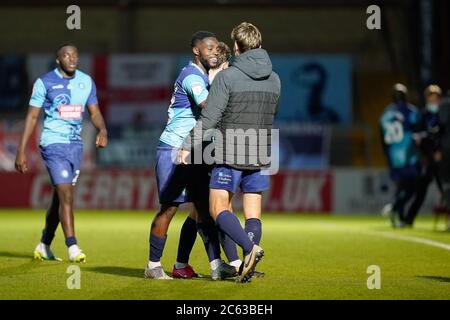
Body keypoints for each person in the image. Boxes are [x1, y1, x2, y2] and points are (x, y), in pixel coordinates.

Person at [179, 22, 281, 283]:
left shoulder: (227, 77)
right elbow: (273, 114)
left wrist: (187, 144)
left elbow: (210, 118)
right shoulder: (275, 78)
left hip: (230, 151)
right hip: (260, 150)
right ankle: (248, 266)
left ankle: (250, 251)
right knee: (253, 213)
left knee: (217, 208)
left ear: (236, 46)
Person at [145, 31, 236, 280]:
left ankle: (216, 265)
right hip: (175, 150)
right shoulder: (192, 76)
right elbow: (208, 105)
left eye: (217, 48)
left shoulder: (204, 76)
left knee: (203, 209)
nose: (214, 53)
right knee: (170, 208)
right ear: (196, 51)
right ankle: (153, 265)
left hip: (196, 150)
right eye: (209, 49)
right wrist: (220, 80)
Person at [15, 43, 108, 262]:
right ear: (58, 60)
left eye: (75, 55)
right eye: (66, 55)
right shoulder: (44, 82)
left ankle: (44, 244)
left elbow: (94, 112)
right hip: (52, 144)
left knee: (59, 198)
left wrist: (102, 129)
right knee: (66, 193)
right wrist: (20, 150)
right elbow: (32, 117)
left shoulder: (86, 82)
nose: (72, 58)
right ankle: (73, 246)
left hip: (75, 146)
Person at [380, 83, 421, 228]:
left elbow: (383, 139)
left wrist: (387, 155)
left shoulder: (385, 114)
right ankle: (395, 208)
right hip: (408, 155)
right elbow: (417, 130)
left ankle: (400, 217)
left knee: (401, 187)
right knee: (413, 187)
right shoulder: (411, 111)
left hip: (393, 156)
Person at [404, 85, 446, 226]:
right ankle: (409, 219)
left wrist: (440, 150)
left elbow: (444, 136)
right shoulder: (423, 115)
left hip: (443, 160)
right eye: (431, 99)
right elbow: (417, 135)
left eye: (436, 99)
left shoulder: (444, 115)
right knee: (421, 191)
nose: (433, 102)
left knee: (446, 190)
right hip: (428, 159)